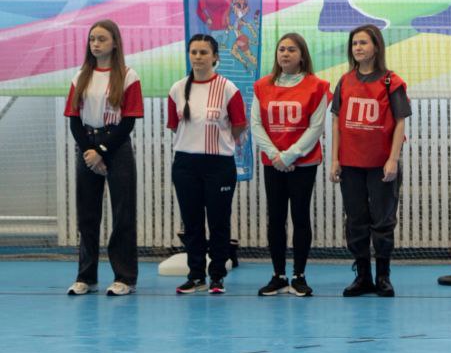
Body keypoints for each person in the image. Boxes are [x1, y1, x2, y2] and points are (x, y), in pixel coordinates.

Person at [64, 20, 144, 296]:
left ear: (115, 43)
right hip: (87, 147)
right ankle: (86, 277)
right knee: (87, 213)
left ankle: (125, 277)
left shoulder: (129, 76)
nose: (95, 44)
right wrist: (89, 151)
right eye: (92, 39)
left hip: (116, 147)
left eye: (101, 39)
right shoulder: (80, 77)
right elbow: (74, 119)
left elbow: (128, 121)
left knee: (123, 213)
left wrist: (102, 151)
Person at [330, 24, 409, 297]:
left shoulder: (391, 82)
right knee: (356, 221)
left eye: (363, 43)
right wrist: (335, 159)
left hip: (380, 165)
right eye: (354, 44)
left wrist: (393, 159)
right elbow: (336, 122)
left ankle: (383, 276)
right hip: (351, 164)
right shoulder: (344, 81)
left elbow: (400, 122)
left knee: (383, 221)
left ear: (376, 46)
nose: (358, 48)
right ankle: (362, 276)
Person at [168, 34, 248, 295]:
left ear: (215, 57)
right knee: (192, 222)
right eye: (194, 52)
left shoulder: (228, 89)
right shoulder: (177, 89)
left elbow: (239, 126)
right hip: (185, 164)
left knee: (218, 222)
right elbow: (175, 126)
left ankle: (217, 276)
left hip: (219, 165)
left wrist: (218, 145)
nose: (198, 57)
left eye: (203, 52)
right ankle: (195, 275)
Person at [252, 33, 330, 297]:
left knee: (300, 216)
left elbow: (316, 127)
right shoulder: (262, 86)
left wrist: (290, 155)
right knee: (275, 218)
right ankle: (278, 275)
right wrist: (275, 155)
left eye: (291, 50)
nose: (285, 54)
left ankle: (299, 276)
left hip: (303, 164)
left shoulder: (317, 86)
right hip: (273, 162)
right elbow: (256, 124)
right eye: (281, 49)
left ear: (302, 55)